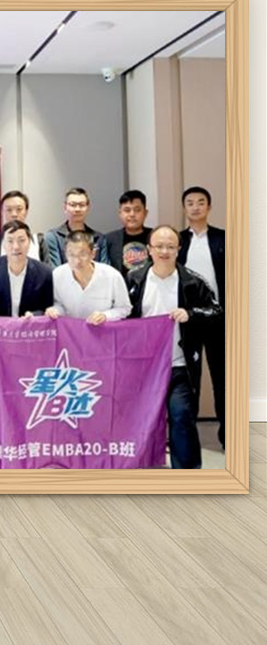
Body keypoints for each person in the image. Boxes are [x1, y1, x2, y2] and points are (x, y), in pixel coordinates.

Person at [127, 225, 221, 469]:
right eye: (159, 246)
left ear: (179, 249)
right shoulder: (134, 279)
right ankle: (142, 468)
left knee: (181, 417)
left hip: (179, 365)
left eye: (170, 246)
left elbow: (216, 311)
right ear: (149, 249)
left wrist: (191, 313)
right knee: (142, 419)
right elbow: (121, 314)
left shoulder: (192, 281)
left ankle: (187, 473)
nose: (164, 251)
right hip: (143, 367)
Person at [178, 186, 226, 448]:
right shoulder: (178, 240)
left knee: (222, 378)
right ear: (184, 208)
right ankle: (188, 437)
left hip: (219, 319)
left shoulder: (222, 238)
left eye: (200, 202)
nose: (195, 207)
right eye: (190, 203)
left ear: (209, 207)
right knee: (190, 380)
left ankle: (228, 434)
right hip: (189, 320)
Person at [45, 230, 131, 324]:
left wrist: (106, 315)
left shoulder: (112, 276)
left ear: (93, 253)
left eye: (82, 254)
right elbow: (59, 304)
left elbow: (125, 308)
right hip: (70, 329)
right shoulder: (57, 275)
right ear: (65, 253)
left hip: (102, 330)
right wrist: (55, 311)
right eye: (71, 254)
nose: (77, 260)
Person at [0, 221, 53, 318]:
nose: (16, 247)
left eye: (21, 240)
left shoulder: (44, 272)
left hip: (30, 326)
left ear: (29, 243)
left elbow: (48, 307)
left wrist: (34, 315)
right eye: (10, 241)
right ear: (3, 244)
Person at [43, 187, 110, 267]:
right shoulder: (53, 237)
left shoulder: (99, 238)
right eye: (73, 205)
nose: (77, 209)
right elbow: (55, 270)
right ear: (65, 207)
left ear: (88, 208)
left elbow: (104, 269)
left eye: (82, 205)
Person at [0, 190, 42, 267]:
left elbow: (47, 272)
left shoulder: (39, 242)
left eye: (19, 209)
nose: (14, 214)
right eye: (9, 210)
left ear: (26, 211)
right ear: (2, 212)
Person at [105, 190, 152, 276]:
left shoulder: (155, 237)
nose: (132, 214)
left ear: (145, 213)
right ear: (120, 213)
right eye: (127, 210)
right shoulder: (109, 239)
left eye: (137, 210)